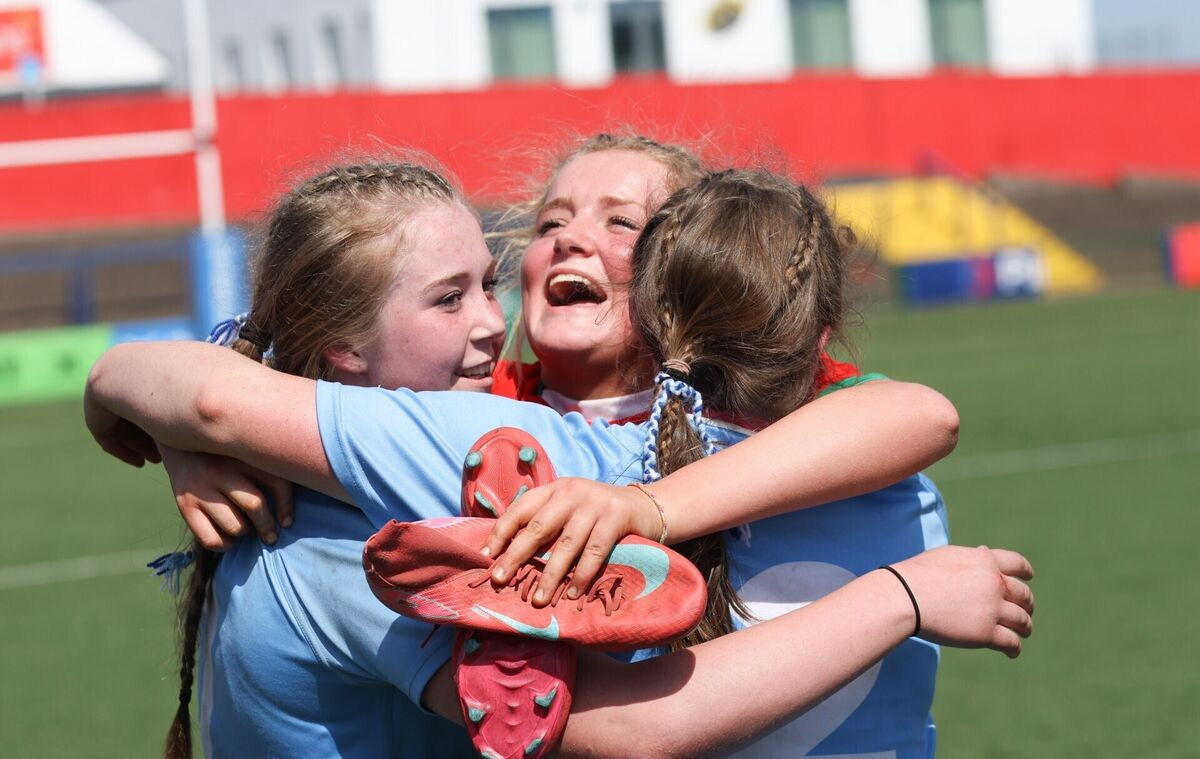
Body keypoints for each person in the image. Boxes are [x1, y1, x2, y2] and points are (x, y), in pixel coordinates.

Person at [86, 167, 1034, 757]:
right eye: (547, 222)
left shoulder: (599, 457)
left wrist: (156, 413)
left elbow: (911, 411)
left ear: (678, 281)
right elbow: (630, 728)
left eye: (626, 223)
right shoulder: (499, 449)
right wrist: (173, 424)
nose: (490, 318)